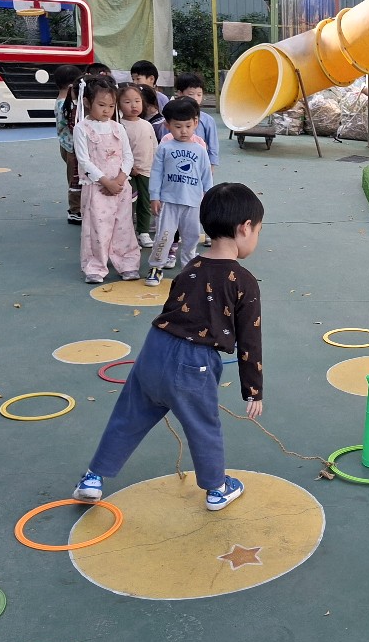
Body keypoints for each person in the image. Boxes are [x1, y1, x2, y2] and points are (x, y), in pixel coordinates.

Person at [73, 183, 265, 512]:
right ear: (245, 228)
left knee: (128, 417)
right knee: (203, 427)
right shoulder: (243, 280)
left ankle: (93, 478)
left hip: (154, 349)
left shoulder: (190, 267)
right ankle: (217, 489)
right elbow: (250, 339)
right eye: (259, 230)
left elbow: (173, 310)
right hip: (194, 363)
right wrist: (253, 390)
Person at [70, 75, 142, 283]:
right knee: (97, 228)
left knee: (124, 227)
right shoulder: (82, 128)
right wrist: (105, 181)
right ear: (87, 102)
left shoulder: (118, 127)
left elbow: (128, 156)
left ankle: (127, 263)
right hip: (97, 188)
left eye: (111, 106)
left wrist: (120, 179)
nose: (107, 110)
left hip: (120, 187)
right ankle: (95, 266)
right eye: (101, 105)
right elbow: (84, 160)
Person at [146, 96, 215, 285]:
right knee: (164, 235)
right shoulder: (164, 148)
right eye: (177, 126)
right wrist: (154, 196)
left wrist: (208, 197)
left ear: (195, 123)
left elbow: (206, 176)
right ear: (167, 125)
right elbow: (156, 173)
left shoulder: (200, 150)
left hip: (193, 202)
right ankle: (156, 267)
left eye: (188, 126)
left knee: (192, 236)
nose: (183, 131)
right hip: (168, 201)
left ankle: (188, 267)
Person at [118, 83, 157, 249]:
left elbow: (154, 146)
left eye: (137, 101)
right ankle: (128, 234)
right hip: (128, 173)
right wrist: (129, 167)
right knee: (128, 203)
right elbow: (119, 150)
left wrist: (156, 166)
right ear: (118, 105)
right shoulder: (119, 126)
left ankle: (143, 232)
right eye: (127, 102)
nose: (133, 105)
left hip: (147, 170)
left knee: (145, 202)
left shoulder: (147, 125)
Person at [54, 65, 84, 224]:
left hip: (65, 145)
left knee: (75, 178)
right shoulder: (67, 104)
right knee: (75, 179)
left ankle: (78, 207)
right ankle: (75, 210)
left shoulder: (60, 100)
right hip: (72, 148)